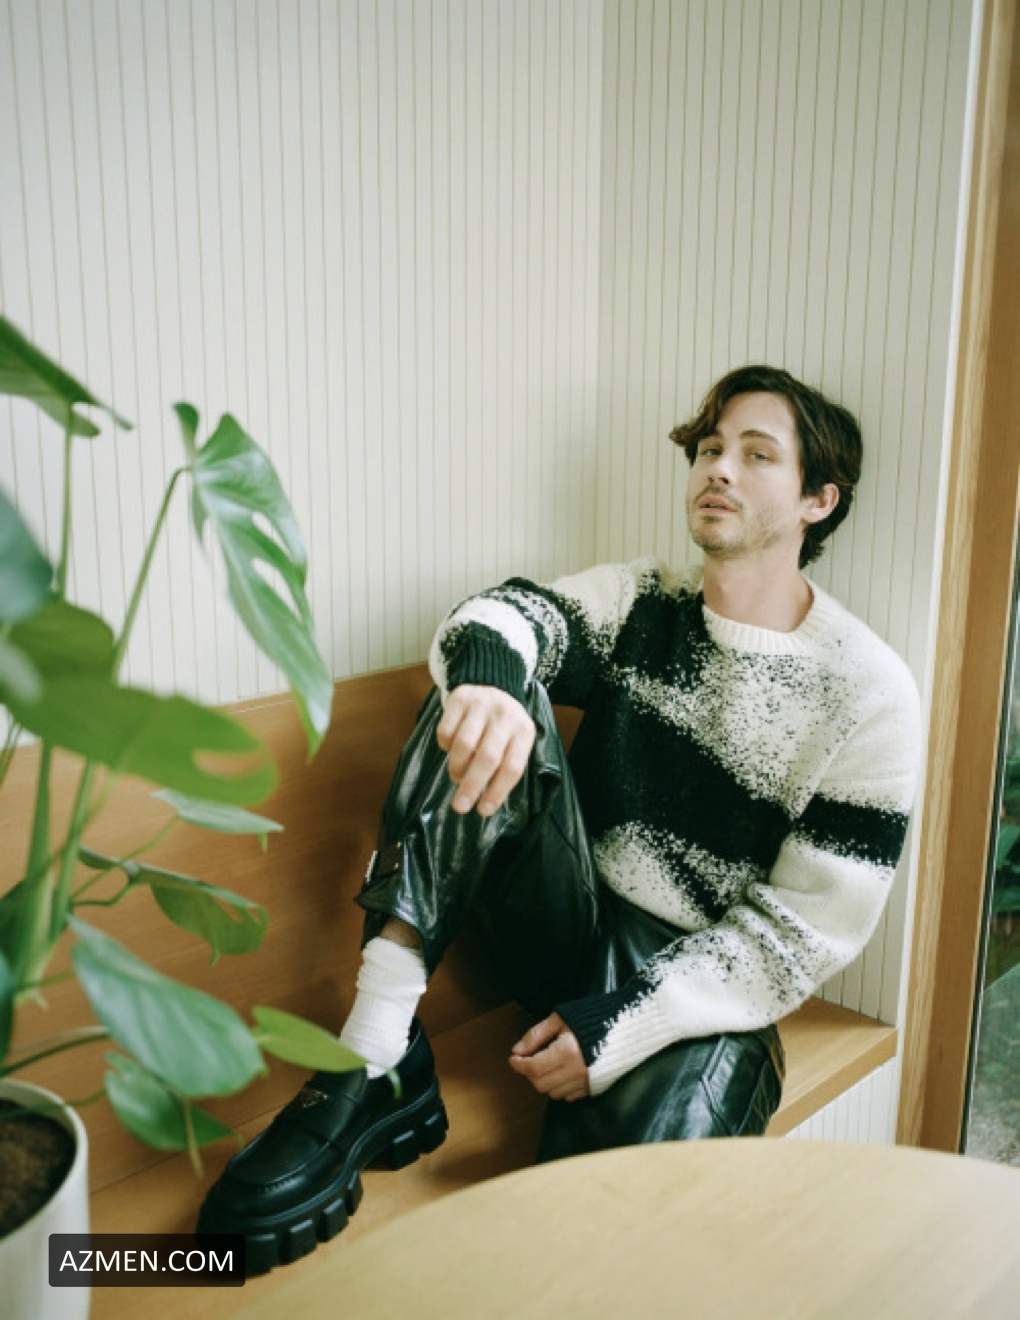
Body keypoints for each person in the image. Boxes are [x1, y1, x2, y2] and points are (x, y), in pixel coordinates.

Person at [198, 364, 922, 1273]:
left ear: (819, 500)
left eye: (756, 454)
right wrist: (494, 685)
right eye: (709, 448)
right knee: (484, 695)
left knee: (604, 1248)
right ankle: (375, 1050)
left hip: (706, 992)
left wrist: (625, 1024)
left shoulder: (869, 693)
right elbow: (501, 615)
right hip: (564, 921)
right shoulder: (644, 602)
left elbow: (802, 935)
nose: (718, 468)